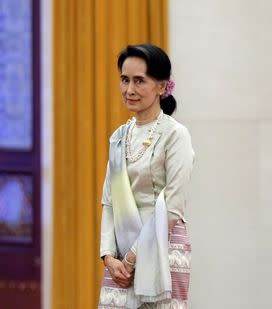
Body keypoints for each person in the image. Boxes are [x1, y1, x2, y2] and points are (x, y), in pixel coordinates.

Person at [98, 44, 194, 309]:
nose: (129, 90)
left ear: (162, 87)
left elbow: (173, 208)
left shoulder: (175, 135)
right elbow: (108, 203)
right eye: (124, 80)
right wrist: (108, 256)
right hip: (120, 257)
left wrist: (131, 258)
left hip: (163, 247)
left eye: (139, 81)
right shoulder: (118, 138)